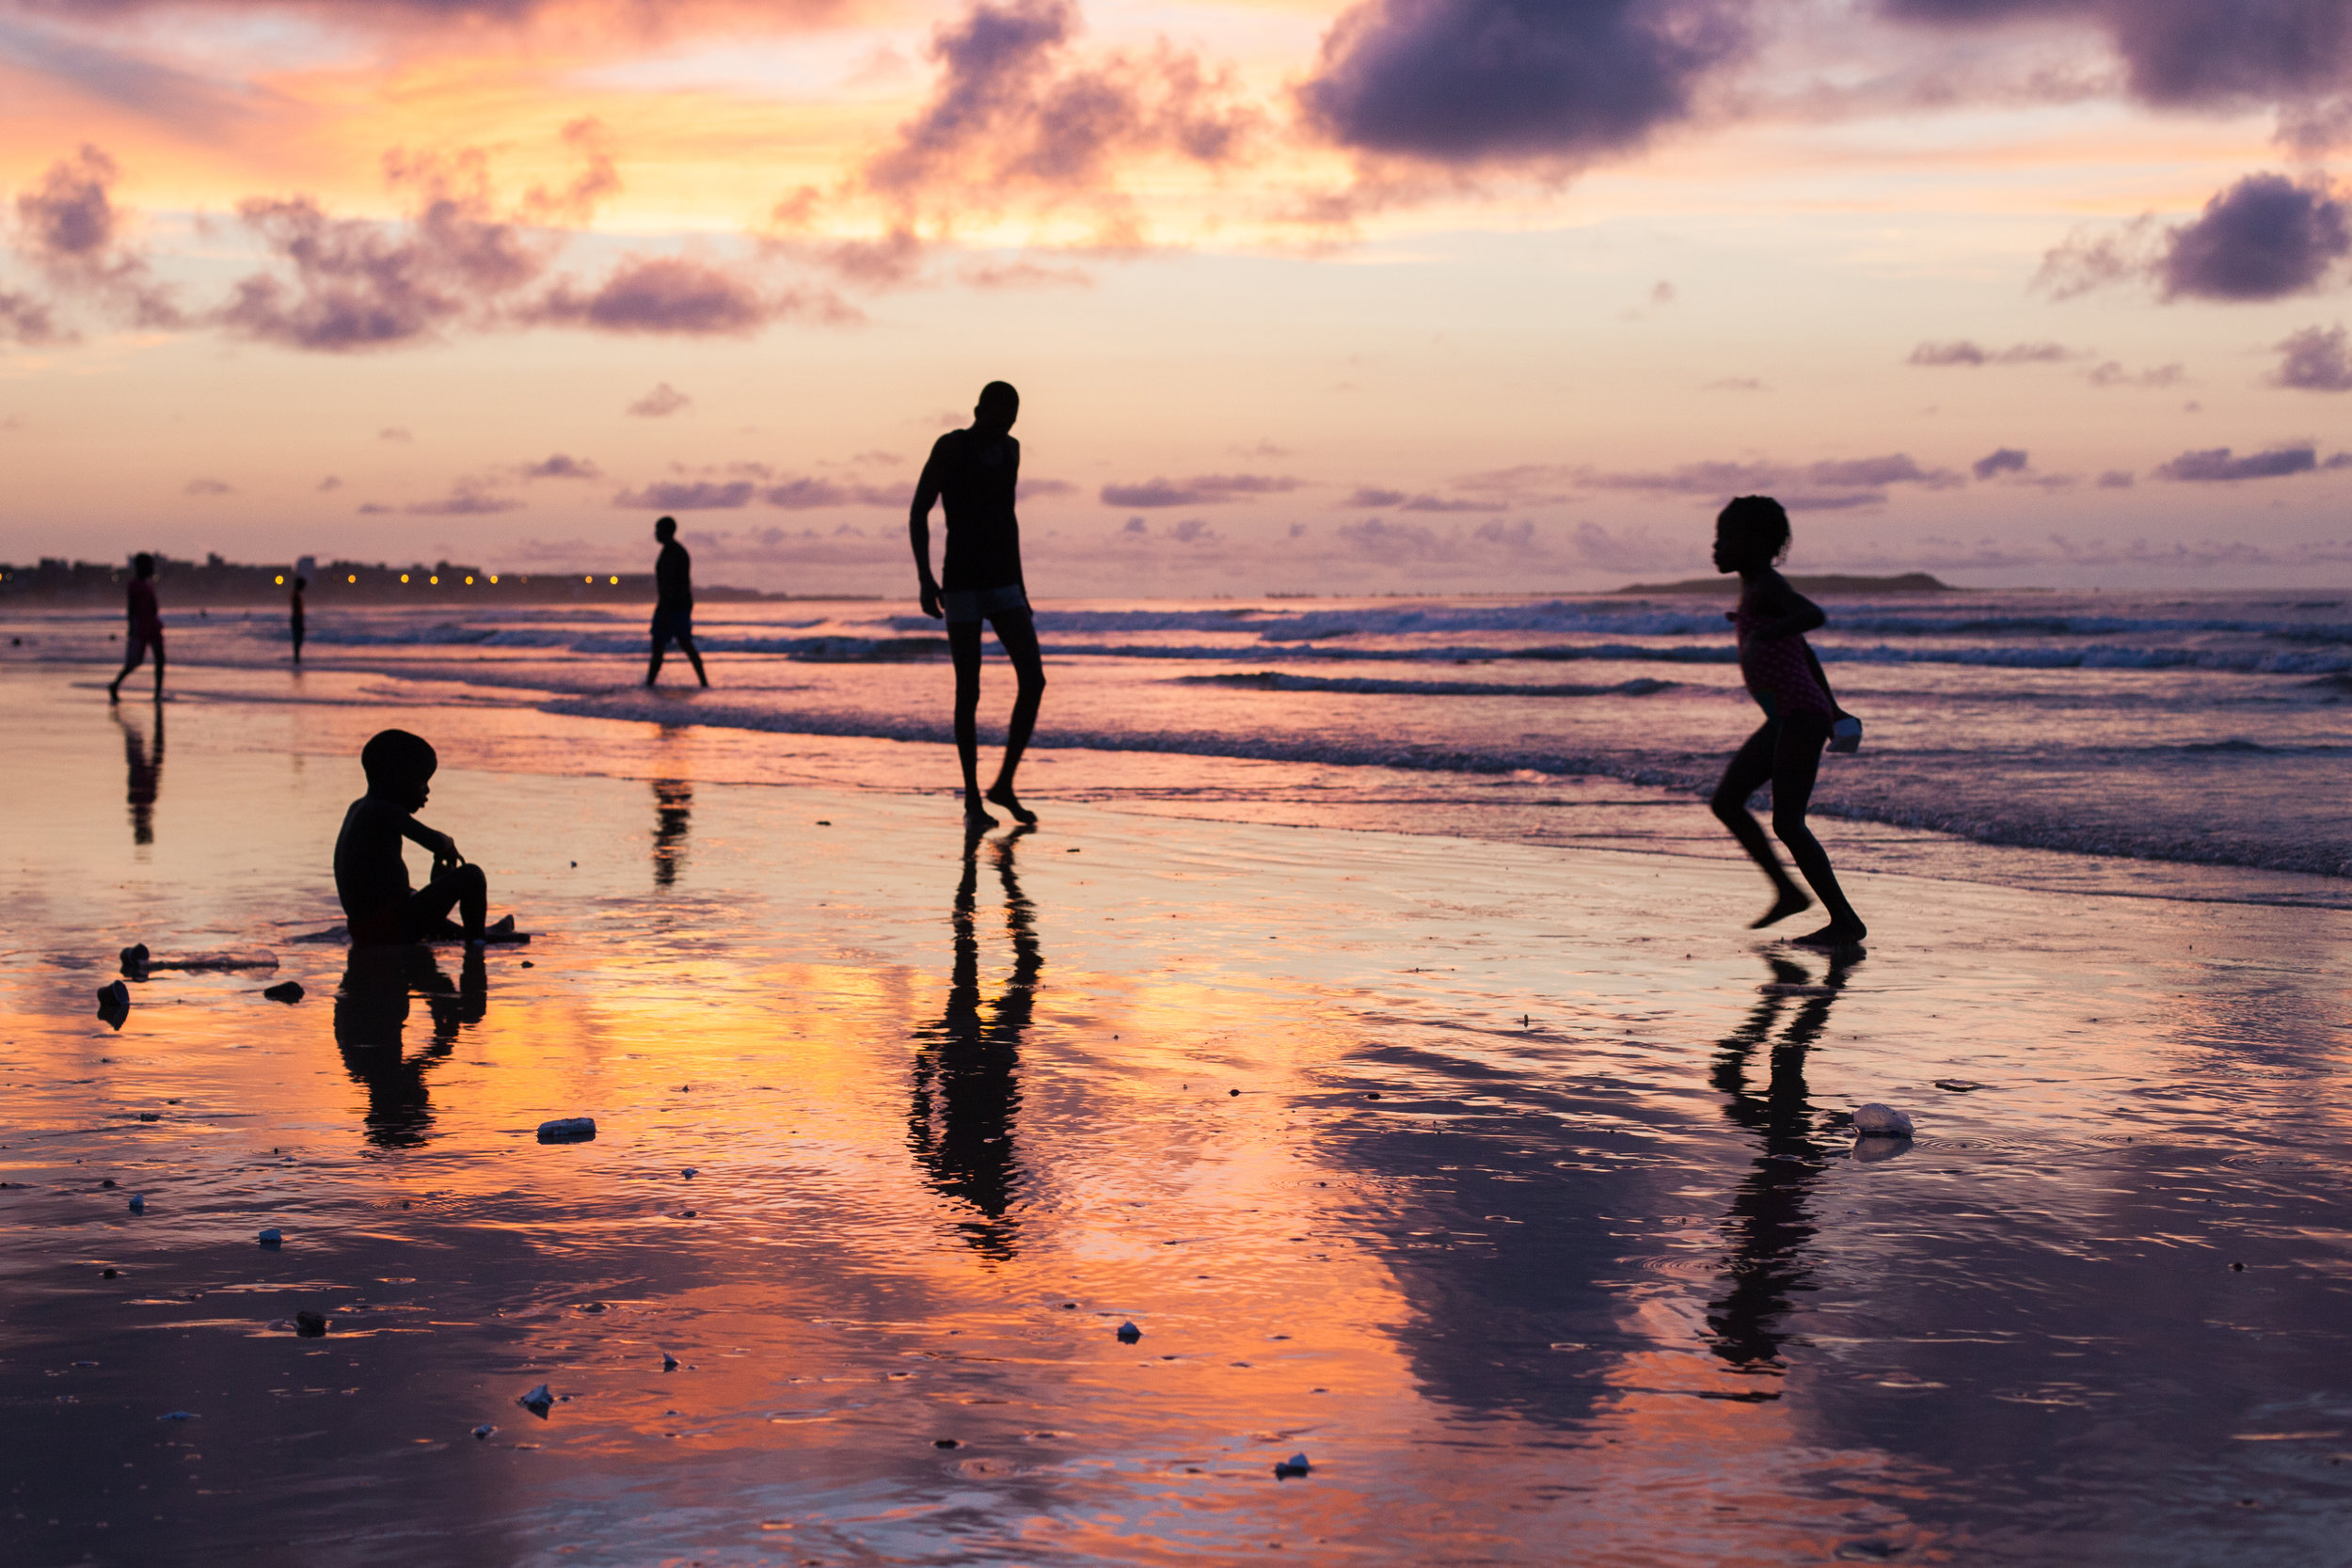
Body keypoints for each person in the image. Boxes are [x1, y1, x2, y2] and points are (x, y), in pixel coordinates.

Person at [1708, 496, 1867, 947]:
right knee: (1727, 801)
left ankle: (1846, 923)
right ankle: (1786, 892)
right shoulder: (1754, 588)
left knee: (1788, 822)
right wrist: (1835, 708)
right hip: (1788, 717)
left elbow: (1813, 615)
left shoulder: (1768, 587)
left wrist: (1765, 631)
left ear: (1756, 543)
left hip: (1799, 717)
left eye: (1725, 539)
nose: (1716, 548)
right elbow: (1806, 652)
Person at [910, 380, 1046, 829]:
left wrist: (1023, 588)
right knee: (968, 690)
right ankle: (972, 800)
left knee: (1034, 679)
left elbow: (1008, 519)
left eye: (1011, 420)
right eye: (998, 418)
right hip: (962, 584)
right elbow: (919, 510)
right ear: (978, 410)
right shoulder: (951, 447)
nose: (1004, 427)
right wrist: (926, 578)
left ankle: (1003, 783)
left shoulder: (1011, 451)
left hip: (1005, 583)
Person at [335, 728, 513, 947]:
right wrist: (447, 845)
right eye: (421, 782)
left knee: (412, 898)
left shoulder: (360, 807)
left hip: (365, 927)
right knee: (471, 875)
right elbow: (435, 842)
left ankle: (471, 931)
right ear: (397, 780)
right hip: (387, 928)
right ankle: (477, 939)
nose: (427, 790)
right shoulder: (385, 810)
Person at [646, 516, 707, 688]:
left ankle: (649, 684)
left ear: (666, 531)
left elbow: (670, 584)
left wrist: (665, 609)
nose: (655, 534)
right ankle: (704, 682)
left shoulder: (672, 552)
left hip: (671, 606)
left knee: (661, 646)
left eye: (658, 530)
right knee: (684, 643)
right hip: (679, 605)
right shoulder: (674, 550)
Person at [106, 552, 164, 703]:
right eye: (149, 565)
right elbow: (131, 608)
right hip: (141, 626)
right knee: (135, 662)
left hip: (153, 625)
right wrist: (132, 626)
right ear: (141, 567)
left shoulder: (148, 584)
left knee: (160, 659)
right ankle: (115, 685)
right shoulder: (135, 585)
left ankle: (157, 694)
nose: (152, 568)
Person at [289, 575, 307, 665]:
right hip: (297, 618)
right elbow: (296, 609)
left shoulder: (296, 594)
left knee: (298, 638)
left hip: (296, 618)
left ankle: (297, 656)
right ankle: (296, 657)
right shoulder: (296, 595)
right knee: (298, 638)